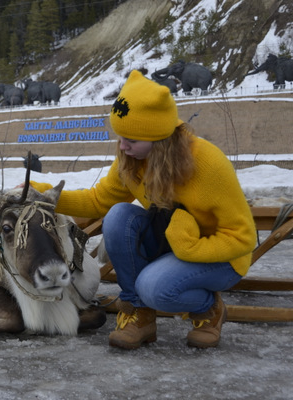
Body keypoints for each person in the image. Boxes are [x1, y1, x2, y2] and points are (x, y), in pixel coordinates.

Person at [30, 70, 256, 349]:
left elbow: (243, 238)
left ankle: (208, 309)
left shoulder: (208, 165)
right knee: (118, 216)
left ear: (159, 139)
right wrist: (41, 194)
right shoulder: (133, 159)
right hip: (173, 240)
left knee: (154, 288)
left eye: (132, 140)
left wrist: (191, 249)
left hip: (221, 257)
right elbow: (98, 201)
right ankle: (139, 314)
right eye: (120, 137)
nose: (122, 147)